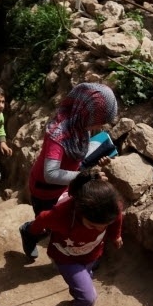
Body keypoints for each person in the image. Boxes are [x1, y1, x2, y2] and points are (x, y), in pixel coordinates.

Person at [22, 170, 123, 306]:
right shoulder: (62, 214)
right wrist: (32, 232)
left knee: (85, 281)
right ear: (79, 210)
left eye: (104, 225)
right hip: (66, 258)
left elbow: (117, 217)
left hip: (91, 254)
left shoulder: (110, 206)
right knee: (88, 297)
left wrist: (115, 235)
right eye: (93, 226)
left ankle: (78, 295)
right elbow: (42, 218)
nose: (100, 229)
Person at [20, 82, 118, 259]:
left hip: (68, 185)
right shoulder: (58, 136)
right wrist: (85, 175)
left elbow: (77, 157)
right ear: (86, 114)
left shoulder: (80, 126)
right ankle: (29, 231)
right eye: (97, 122)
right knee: (48, 221)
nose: (99, 127)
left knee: (64, 219)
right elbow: (51, 174)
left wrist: (97, 159)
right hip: (45, 190)